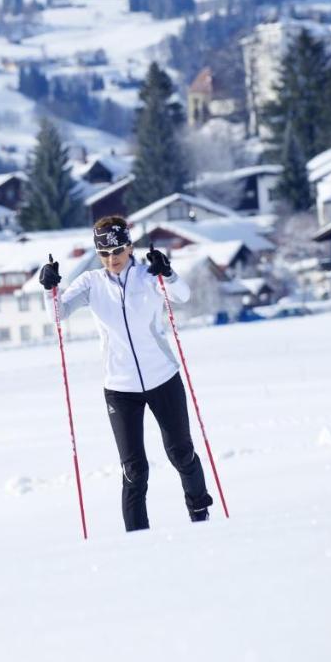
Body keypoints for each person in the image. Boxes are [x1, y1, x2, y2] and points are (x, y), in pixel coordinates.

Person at [39, 215, 214, 531]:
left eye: (117, 251)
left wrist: (168, 273)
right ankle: (137, 538)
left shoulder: (149, 276)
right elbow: (57, 313)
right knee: (134, 470)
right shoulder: (91, 283)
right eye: (104, 254)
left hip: (163, 378)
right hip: (120, 388)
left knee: (182, 454)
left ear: (130, 246)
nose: (112, 259)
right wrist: (50, 287)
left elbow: (183, 296)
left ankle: (200, 515)